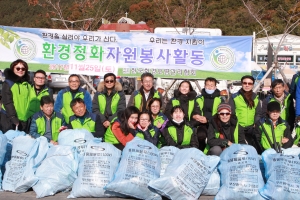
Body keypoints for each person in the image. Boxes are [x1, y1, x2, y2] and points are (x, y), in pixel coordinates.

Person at [229, 75, 262, 148]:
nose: (247, 85)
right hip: (238, 126)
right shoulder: (234, 97)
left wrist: (255, 123)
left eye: (249, 83)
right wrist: (237, 125)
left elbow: (258, 113)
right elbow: (232, 113)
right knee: (241, 148)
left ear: (252, 85)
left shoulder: (255, 97)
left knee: (256, 145)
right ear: (242, 84)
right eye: (245, 83)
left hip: (251, 126)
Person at [193, 77, 224, 151]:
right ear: (204, 86)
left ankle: (211, 152)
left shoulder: (220, 99)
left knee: (213, 140)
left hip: (214, 124)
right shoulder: (198, 98)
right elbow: (195, 109)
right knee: (200, 135)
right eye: (207, 85)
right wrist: (197, 116)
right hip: (201, 123)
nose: (209, 87)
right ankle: (200, 151)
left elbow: (220, 114)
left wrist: (208, 120)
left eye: (211, 85)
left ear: (215, 87)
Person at [0, 59, 31, 132]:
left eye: (23, 69)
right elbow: (7, 102)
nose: (20, 70)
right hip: (9, 119)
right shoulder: (8, 83)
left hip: (23, 119)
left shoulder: (27, 84)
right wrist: (13, 117)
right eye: (18, 68)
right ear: (13, 69)